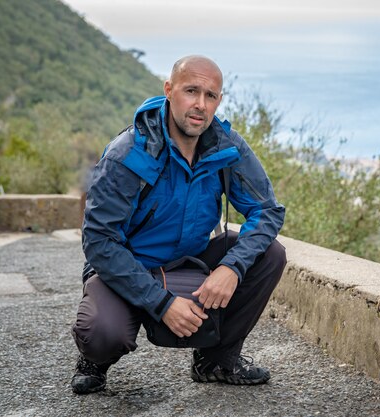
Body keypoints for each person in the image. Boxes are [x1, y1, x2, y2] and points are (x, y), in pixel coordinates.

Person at [70, 55, 286, 394]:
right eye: (191, 91)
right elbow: (99, 242)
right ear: (169, 91)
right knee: (102, 333)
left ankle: (217, 360)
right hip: (129, 265)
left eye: (210, 95)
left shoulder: (227, 147)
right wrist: (163, 303)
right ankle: (94, 361)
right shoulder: (128, 153)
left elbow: (267, 211)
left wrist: (231, 266)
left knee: (270, 254)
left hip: (191, 258)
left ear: (219, 101)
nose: (200, 104)